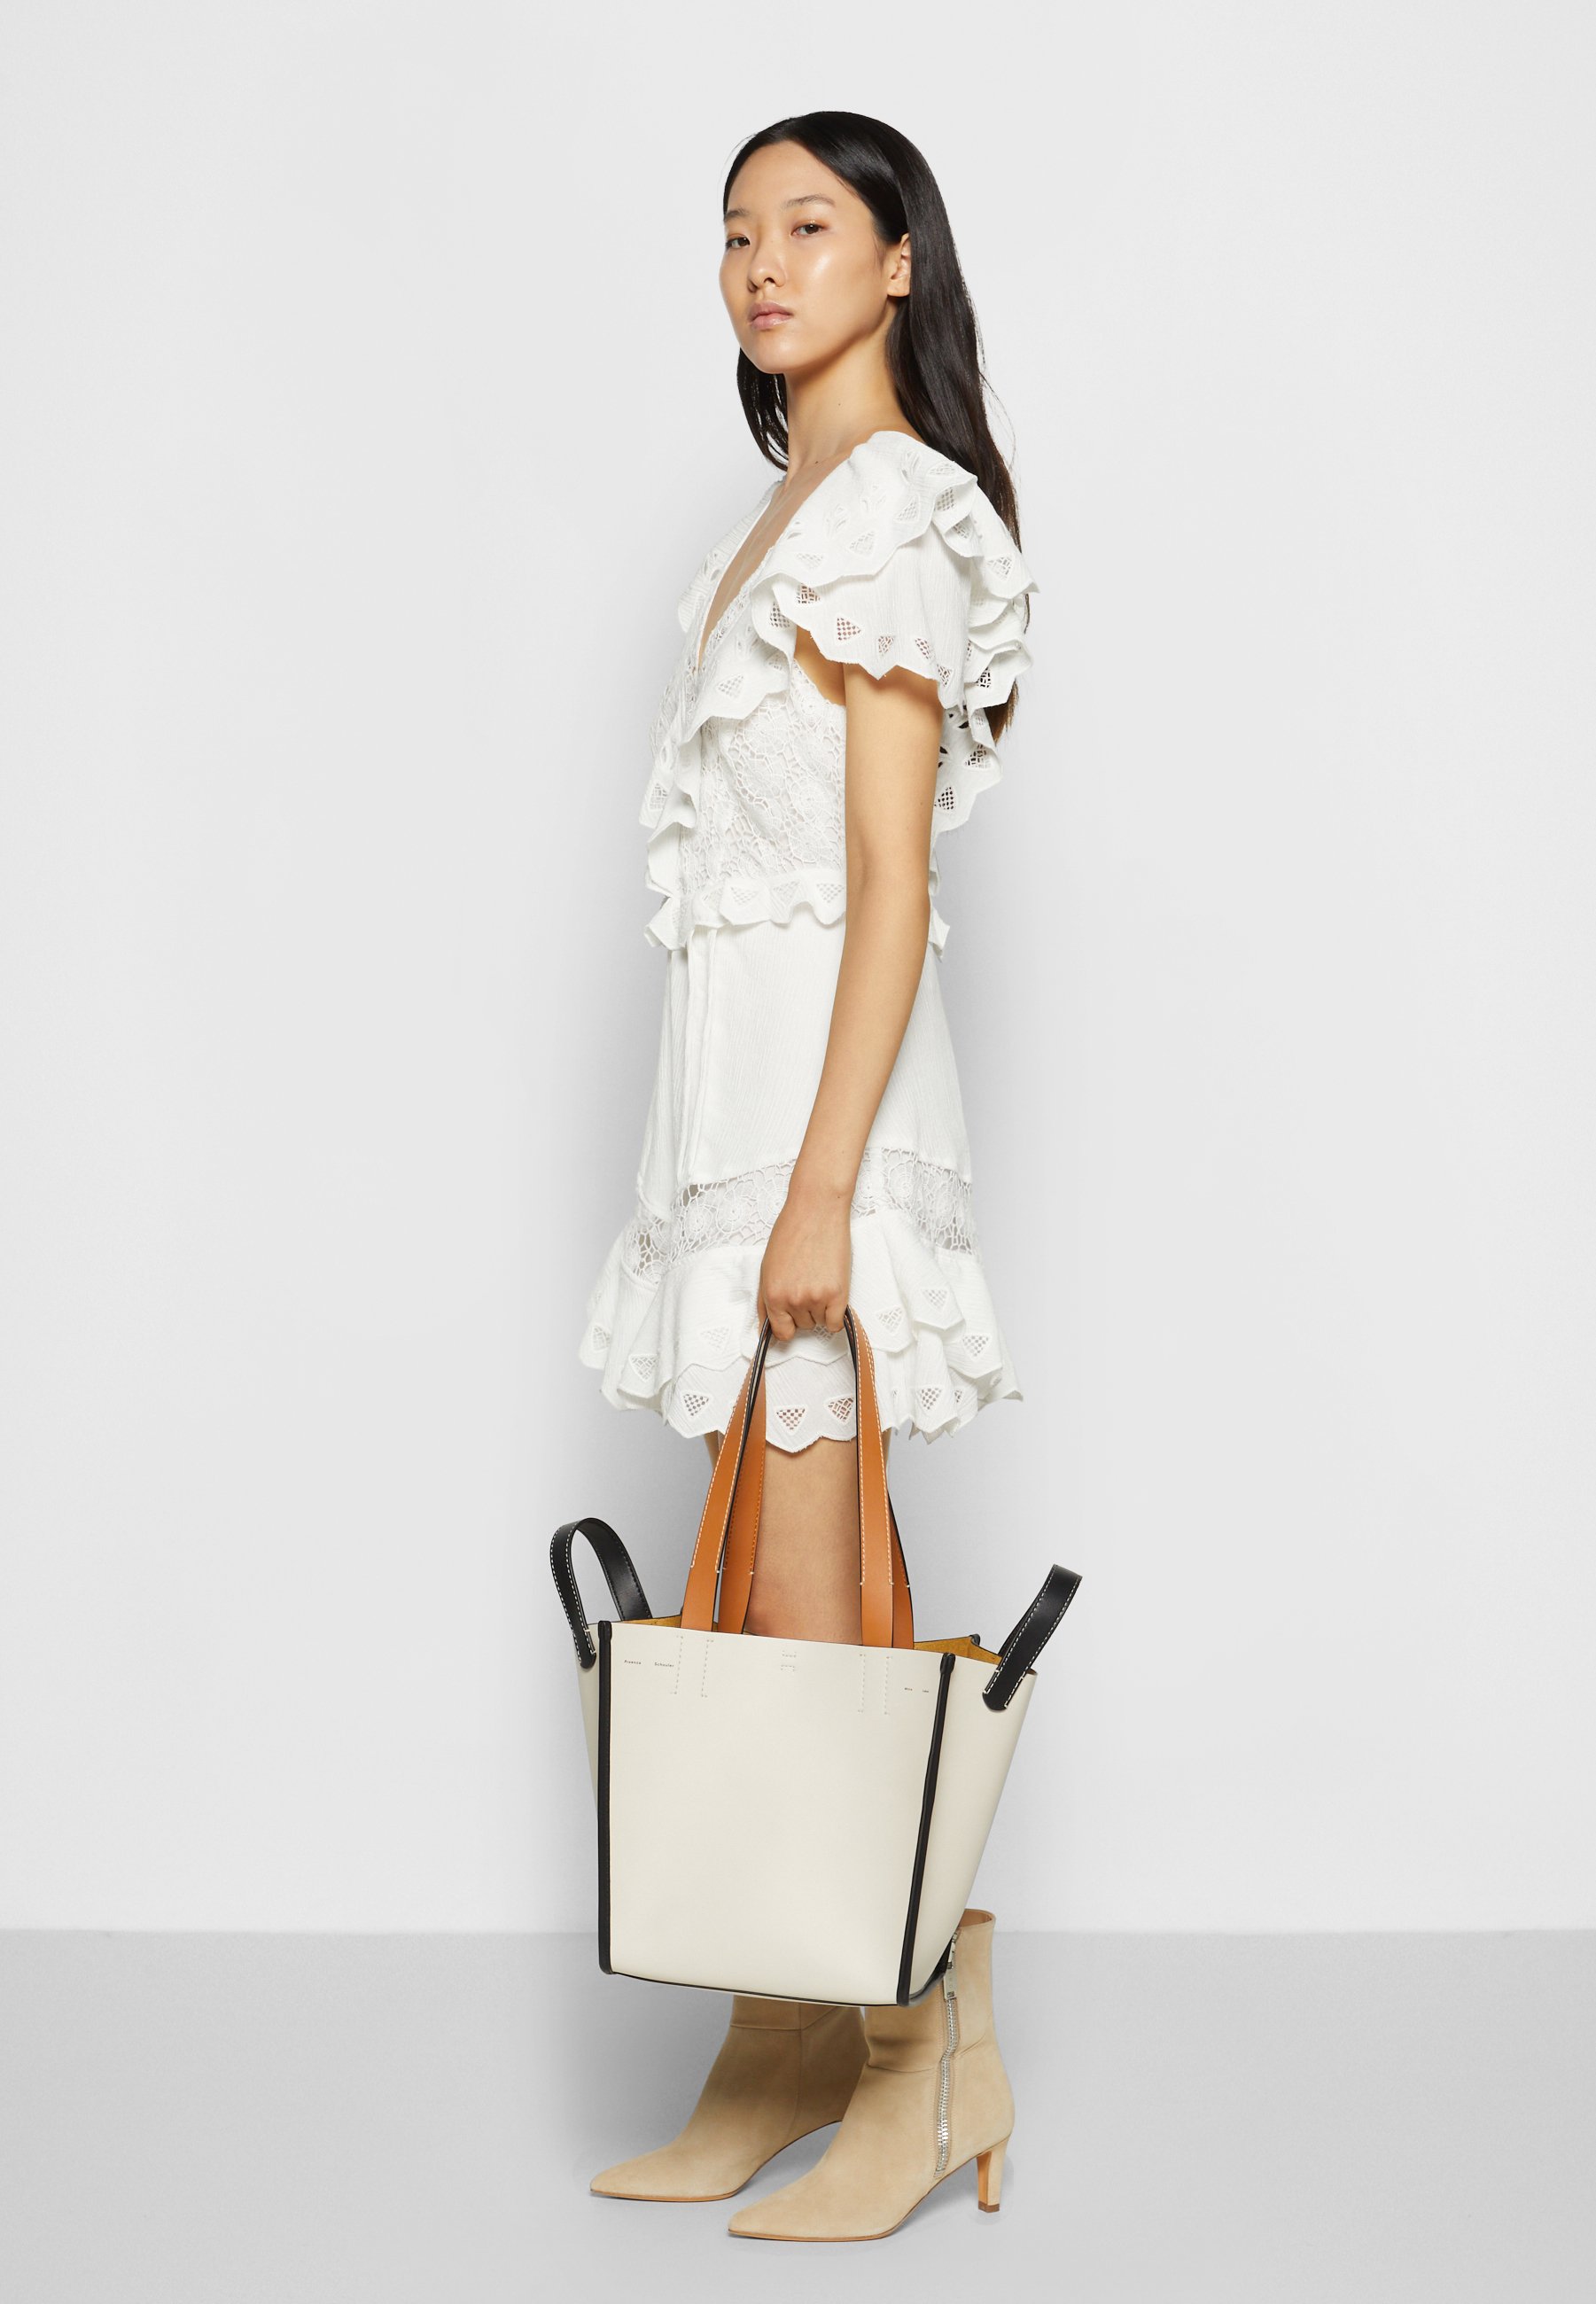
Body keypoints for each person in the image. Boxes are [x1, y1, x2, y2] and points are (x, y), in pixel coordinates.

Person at [577, 110, 1038, 2240]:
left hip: (820, 1121)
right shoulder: (777, 519)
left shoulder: (897, 516)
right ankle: (784, 2026)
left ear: (899, 260)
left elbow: (887, 879)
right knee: (769, 1582)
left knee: (814, 1597)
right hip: (734, 1109)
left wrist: (829, 1185)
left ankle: (912, 2042)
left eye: (809, 226)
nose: (762, 263)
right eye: (735, 233)